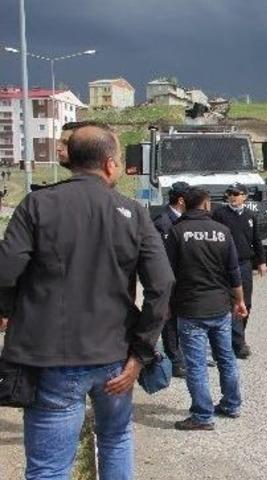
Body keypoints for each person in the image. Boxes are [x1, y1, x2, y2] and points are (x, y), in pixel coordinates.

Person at [0, 124, 175, 478]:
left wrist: (7, 310)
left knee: (49, 469)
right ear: (110, 164)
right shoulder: (133, 212)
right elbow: (162, 284)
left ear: (71, 160)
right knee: (115, 439)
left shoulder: (36, 204)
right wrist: (141, 354)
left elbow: (5, 272)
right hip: (115, 357)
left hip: (50, 357)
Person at [165, 187, 247, 431]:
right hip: (220, 307)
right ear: (206, 205)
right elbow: (234, 272)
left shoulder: (176, 231)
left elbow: (167, 274)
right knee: (226, 358)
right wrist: (239, 301)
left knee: (196, 364)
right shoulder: (223, 232)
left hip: (190, 309)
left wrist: (166, 306)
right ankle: (231, 404)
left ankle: (202, 415)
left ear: (185, 205)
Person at [212, 182, 266, 360]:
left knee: (246, 303)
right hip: (224, 265)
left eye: (237, 194)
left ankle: (238, 337)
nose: (233, 197)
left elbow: (257, 239)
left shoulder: (251, 215)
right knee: (231, 302)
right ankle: (237, 343)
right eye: (230, 194)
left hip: (244, 263)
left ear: (244, 196)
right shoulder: (219, 215)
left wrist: (262, 261)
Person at [153, 181, 191, 378]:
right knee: (169, 320)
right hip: (168, 279)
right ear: (182, 200)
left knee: (184, 318)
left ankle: (184, 356)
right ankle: (175, 360)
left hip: (184, 279)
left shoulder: (185, 220)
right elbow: (159, 257)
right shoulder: (163, 222)